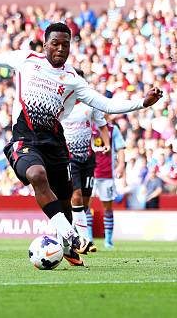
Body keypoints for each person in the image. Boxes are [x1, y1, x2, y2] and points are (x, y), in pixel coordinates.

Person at [0, 22, 163, 265]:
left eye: (65, 45)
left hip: (55, 144)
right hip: (24, 140)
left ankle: (67, 248)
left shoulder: (73, 80)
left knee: (66, 202)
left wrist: (142, 102)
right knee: (36, 175)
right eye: (55, 43)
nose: (60, 48)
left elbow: (106, 104)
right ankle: (72, 236)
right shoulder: (26, 59)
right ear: (45, 44)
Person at [62, 69, 111, 253]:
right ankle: (84, 240)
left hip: (87, 157)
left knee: (85, 201)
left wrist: (106, 144)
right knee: (75, 196)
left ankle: (75, 234)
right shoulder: (62, 103)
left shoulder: (90, 103)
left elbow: (102, 125)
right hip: (69, 157)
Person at [91, 117, 126, 249]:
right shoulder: (89, 127)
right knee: (85, 205)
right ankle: (88, 239)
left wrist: (121, 165)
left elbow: (121, 148)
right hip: (89, 171)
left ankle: (108, 241)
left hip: (107, 174)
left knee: (107, 207)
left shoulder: (113, 129)